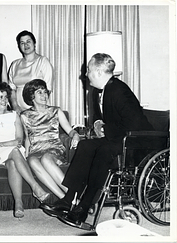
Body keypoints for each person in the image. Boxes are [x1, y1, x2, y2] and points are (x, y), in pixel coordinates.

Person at [41, 53, 154, 229]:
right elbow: (101, 119)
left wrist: (105, 129)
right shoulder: (98, 90)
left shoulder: (119, 90)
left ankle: (83, 208)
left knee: (103, 151)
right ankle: (68, 199)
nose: (86, 74)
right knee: (85, 146)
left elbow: (135, 124)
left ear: (100, 72)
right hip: (116, 138)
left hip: (135, 142)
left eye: (89, 70)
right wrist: (98, 124)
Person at [0, 82, 51, 218]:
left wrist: (13, 144)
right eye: (0, 97)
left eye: (6, 97)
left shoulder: (14, 115)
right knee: (14, 150)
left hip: (14, 153)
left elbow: (19, 139)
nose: (4, 100)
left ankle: (18, 203)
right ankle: (35, 187)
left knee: (13, 161)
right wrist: (8, 143)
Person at [20, 79, 80, 200]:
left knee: (46, 159)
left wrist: (76, 135)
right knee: (32, 161)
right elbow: (27, 138)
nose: (44, 95)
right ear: (32, 96)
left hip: (54, 149)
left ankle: (73, 195)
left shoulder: (56, 111)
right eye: (39, 92)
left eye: (45, 92)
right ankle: (64, 198)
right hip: (36, 150)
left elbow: (70, 130)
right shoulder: (24, 115)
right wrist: (26, 155)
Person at [8, 30, 54, 113]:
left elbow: (48, 89)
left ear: (34, 43)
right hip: (19, 111)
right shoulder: (15, 64)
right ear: (19, 46)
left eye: (28, 41)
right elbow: (11, 89)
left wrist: (36, 109)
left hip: (38, 110)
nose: (25, 45)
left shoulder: (43, 61)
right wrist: (15, 107)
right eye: (22, 43)